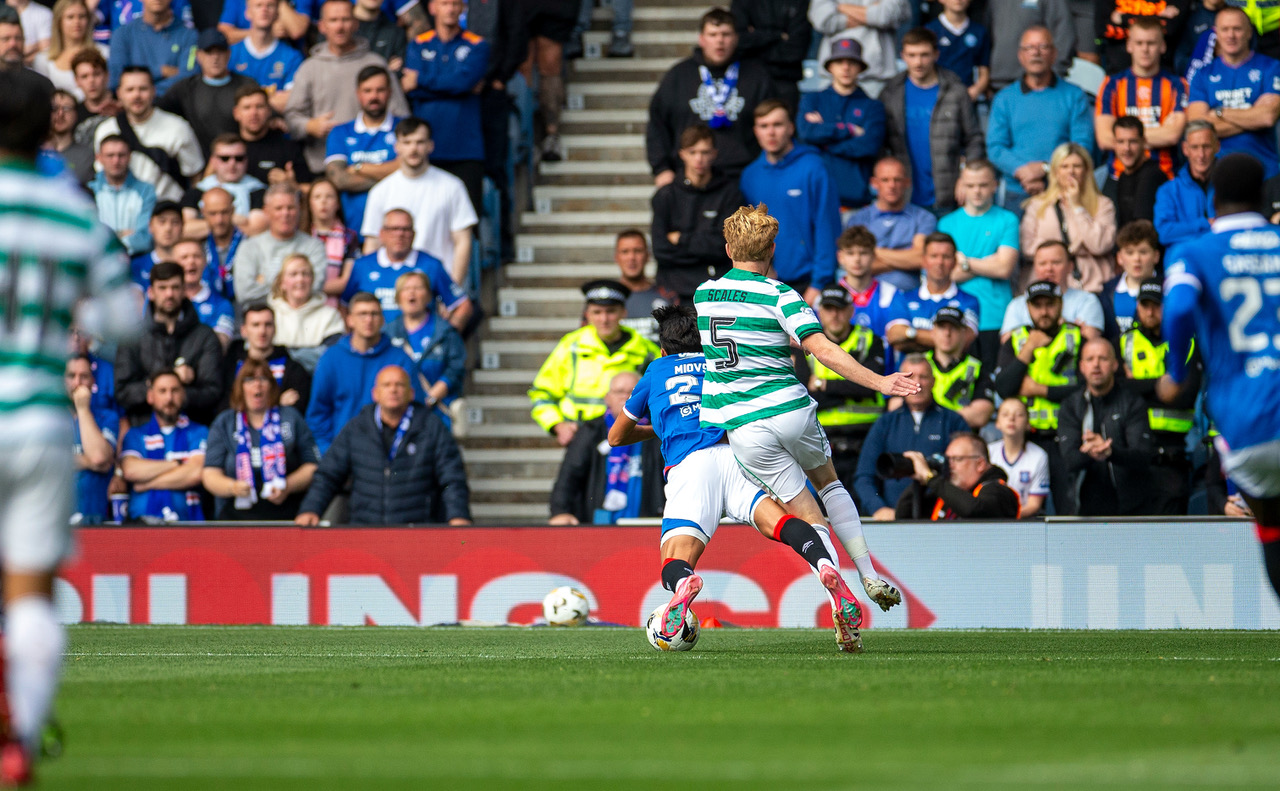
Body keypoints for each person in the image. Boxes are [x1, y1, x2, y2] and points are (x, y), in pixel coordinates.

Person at [0, 71, 140, 783]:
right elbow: (125, 319)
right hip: (39, 423)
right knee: (31, 592)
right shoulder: (67, 212)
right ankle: (18, 739)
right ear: (51, 128)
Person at [610, 305, 868, 653]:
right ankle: (822, 563)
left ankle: (685, 582)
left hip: (690, 467)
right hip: (736, 457)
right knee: (782, 522)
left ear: (662, 348)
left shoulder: (656, 371)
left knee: (674, 558)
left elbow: (616, 437)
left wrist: (663, 427)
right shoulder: (722, 365)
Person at [695, 204, 913, 611]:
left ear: (728, 249)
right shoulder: (782, 294)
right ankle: (868, 572)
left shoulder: (703, 295)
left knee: (804, 510)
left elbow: (743, 332)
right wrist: (881, 381)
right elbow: (822, 349)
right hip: (789, 408)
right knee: (830, 484)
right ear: (773, 249)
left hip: (743, 423)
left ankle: (832, 580)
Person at [1162, 152, 1280, 595]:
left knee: (1271, 525)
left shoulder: (1193, 251)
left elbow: (1177, 309)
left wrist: (1175, 371)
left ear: (1212, 200)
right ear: (1264, 198)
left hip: (1247, 424)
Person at [296, 365, 471, 525]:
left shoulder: (432, 427)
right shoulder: (356, 428)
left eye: (399, 385)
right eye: (386, 385)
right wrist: (310, 509)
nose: (393, 390)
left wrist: (458, 515)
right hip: (365, 532)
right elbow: (328, 475)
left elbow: (452, 477)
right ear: (375, 394)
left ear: (411, 393)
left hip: (417, 532)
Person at [645, 7, 777, 186]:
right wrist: (661, 169)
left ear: (736, 38)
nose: (720, 41)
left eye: (726, 34)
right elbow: (657, 125)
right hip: (690, 178)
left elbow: (774, 122)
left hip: (744, 176)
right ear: (702, 39)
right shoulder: (678, 75)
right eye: (713, 34)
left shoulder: (757, 75)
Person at [284, 0, 409, 176]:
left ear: (356, 24)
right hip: (323, 167)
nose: (340, 27)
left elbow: (401, 117)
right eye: (333, 20)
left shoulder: (375, 63)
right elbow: (291, 117)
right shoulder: (309, 68)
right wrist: (310, 126)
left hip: (378, 166)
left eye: (345, 19)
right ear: (321, 26)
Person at [529, 279, 658, 446]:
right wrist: (558, 426)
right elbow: (541, 393)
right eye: (597, 312)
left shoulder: (646, 351)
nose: (604, 319)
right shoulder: (571, 346)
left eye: (611, 311)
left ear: (623, 312)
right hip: (581, 439)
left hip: (629, 440)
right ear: (587, 315)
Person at [993, 280, 1085, 514]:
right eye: (1038, 305)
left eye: (1050, 304)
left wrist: (1038, 389)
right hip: (1026, 439)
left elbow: (1085, 389)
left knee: (1069, 509)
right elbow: (1004, 387)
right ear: (1028, 308)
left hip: (1065, 437)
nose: (1044, 311)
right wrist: (1029, 348)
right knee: (1025, 510)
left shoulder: (1076, 336)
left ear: (1061, 304)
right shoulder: (1017, 339)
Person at [739, 100, 842, 301]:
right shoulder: (749, 176)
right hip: (765, 283)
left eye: (777, 125)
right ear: (755, 131)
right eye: (764, 126)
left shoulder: (814, 168)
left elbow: (827, 226)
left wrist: (818, 283)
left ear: (790, 128)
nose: (771, 132)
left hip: (809, 283)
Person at [986, 26, 1093, 212]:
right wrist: (1022, 171)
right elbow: (995, 147)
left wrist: (1046, 169)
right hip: (1016, 190)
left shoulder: (1074, 96)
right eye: (1029, 48)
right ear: (1020, 56)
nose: (1036, 53)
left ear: (1054, 54)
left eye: (1043, 46)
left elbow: (1082, 145)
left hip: (1063, 189)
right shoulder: (1004, 98)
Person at [359, 117, 477, 285]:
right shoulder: (380, 191)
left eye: (419, 142)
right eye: (407, 142)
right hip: (392, 287)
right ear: (397, 147)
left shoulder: (453, 186)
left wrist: (452, 289)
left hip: (438, 285)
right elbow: (373, 243)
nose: (413, 149)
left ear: (430, 145)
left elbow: (463, 241)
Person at [879, 27, 984, 213]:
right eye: (912, 55)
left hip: (947, 195)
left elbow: (974, 139)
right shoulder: (890, 93)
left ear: (936, 54)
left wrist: (967, 178)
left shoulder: (956, 91)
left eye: (924, 55)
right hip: (904, 197)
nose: (918, 62)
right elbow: (880, 144)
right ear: (902, 56)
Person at [792, 286, 885, 493]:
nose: (835, 315)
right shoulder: (805, 344)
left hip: (865, 437)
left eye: (840, 309)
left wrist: (824, 385)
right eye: (829, 308)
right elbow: (805, 394)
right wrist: (853, 387)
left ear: (851, 311)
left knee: (864, 500)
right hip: (822, 439)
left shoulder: (871, 340)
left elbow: (870, 387)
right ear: (820, 312)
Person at [852, 353, 969, 519]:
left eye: (924, 377)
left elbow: (966, 474)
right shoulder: (885, 423)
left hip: (942, 521)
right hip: (893, 518)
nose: (918, 383)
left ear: (934, 381)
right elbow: (864, 476)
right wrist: (878, 509)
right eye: (911, 377)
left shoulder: (953, 421)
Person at [1119, 277, 1200, 514]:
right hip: (1133, 454)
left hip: (1171, 454)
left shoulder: (1189, 343)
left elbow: (1185, 397)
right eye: (1145, 305)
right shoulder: (1125, 342)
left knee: (1170, 538)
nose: (1150, 310)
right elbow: (1118, 391)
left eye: (1157, 304)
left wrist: (1138, 386)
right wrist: (1162, 384)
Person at [202, 358, 319, 520]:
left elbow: (312, 465)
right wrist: (233, 487)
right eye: (249, 379)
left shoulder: (291, 417)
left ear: (271, 386)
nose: (257, 385)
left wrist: (288, 486)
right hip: (235, 515)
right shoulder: (225, 422)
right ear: (240, 387)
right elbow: (210, 474)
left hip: (285, 512)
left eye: (263, 379)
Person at [307, 292, 424, 453]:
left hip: (389, 453)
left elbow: (417, 409)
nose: (368, 320)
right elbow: (318, 414)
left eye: (374, 314)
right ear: (350, 320)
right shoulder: (331, 358)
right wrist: (330, 455)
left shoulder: (400, 359)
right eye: (362, 314)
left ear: (382, 320)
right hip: (343, 454)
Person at [401, 0, 488, 216]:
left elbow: (463, 83)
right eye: (444, 3)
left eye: (455, 4)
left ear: (462, 9)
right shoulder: (418, 44)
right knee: (425, 216)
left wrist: (421, 79)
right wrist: (457, 86)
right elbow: (410, 89)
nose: (450, 9)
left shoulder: (477, 45)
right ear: (433, 8)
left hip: (465, 149)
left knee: (466, 219)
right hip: (427, 149)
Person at [115, 262, 225, 427]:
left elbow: (213, 392)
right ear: (151, 292)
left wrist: (173, 394)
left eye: (175, 287)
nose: (169, 294)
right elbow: (123, 392)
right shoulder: (133, 337)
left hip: (194, 431)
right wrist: (169, 383)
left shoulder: (205, 336)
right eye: (162, 287)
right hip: (143, 430)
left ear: (184, 291)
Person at [548, 371, 664, 525]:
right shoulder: (590, 431)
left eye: (632, 392)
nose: (625, 397)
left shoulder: (658, 430)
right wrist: (560, 511)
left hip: (648, 525)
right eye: (619, 392)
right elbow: (568, 477)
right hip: (599, 526)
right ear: (607, 398)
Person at [1057, 337, 1153, 516]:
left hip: (1129, 507)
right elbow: (1069, 460)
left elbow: (1143, 456)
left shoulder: (1133, 403)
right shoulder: (1071, 406)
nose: (1096, 365)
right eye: (1090, 359)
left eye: (1103, 358)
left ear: (1115, 365)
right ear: (1081, 366)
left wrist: (1111, 452)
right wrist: (1092, 452)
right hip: (1082, 508)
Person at [939, 159, 1019, 371]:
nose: (977, 191)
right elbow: (946, 274)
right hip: (957, 319)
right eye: (971, 185)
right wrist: (989, 262)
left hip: (996, 314)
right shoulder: (945, 224)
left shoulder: (1008, 219)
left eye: (983, 185)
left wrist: (964, 262)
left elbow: (1004, 268)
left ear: (995, 185)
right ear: (961, 185)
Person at [649, 124, 741, 305]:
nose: (699, 159)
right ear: (682, 154)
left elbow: (726, 248)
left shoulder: (731, 194)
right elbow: (660, 250)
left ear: (714, 154)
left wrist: (682, 239)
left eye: (705, 152)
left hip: (717, 294)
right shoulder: (665, 196)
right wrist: (705, 245)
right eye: (693, 152)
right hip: (674, 294)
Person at [1186, 6, 1280, 177]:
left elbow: (1267, 117)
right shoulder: (1202, 74)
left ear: (1249, 32)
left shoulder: (1272, 67)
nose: (1231, 35)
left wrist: (1219, 112)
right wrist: (1252, 116)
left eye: (1237, 29)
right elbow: (1198, 129)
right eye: (1225, 29)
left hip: (1265, 169)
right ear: (1216, 33)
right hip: (1216, 170)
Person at [341, 208, 472, 327]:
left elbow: (462, 305)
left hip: (418, 349)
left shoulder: (431, 265)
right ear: (382, 234)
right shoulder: (362, 266)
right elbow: (344, 306)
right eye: (394, 229)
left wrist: (444, 340)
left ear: (413, 234)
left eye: (405, 229)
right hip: (375, 347)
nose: (400, 234)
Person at [795, 37, 885, 210]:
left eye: (852, 62)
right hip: (813, 197)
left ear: (860, 68)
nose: (846, 67)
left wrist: (824, 142)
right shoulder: (812, 100)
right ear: (830, 67)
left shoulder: (873, 106)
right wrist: (848, 129)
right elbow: (806, 133)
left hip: (855, 201)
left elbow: (868, 146)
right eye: (839, 62)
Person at [1094, 18, 1188, 183]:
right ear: (1129, 46)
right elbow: (1104, 138)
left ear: (1162, 46)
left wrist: (1123, 139)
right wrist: (1160, 132)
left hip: (1166, 176)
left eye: (1151, 43)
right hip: (1119, 175)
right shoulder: (1111, 85)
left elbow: (1173, 135)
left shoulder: (1178, 85)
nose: (1145, 49)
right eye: (1139, 43)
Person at [93, 66, 205, 203]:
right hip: (120, 215)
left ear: (153, 91)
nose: (136, 95)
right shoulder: (106, 130)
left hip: (166, 214)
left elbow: (195, 176)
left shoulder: (178, 127)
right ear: (119, 93)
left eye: (143, 89)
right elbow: (101, 177)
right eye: (130, 90)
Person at [1019, 142, 1118, 294]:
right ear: (1055, 172)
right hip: (1047, 292)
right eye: (1064, 166)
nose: (1071, 171)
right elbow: (1027, 246)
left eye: (1076, 166)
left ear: (1086, 170)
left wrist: (1078, 206)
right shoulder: (1038, 205)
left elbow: (1099, 245)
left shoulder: (1103, 204)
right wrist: (1070, 249)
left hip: (1092, 288)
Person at [324, 65, 402, 238]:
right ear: (358, 94)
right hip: (352, 231)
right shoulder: (340, 132)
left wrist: (360, 168)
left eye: (380, 90)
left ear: (389, 92)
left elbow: (408, 169)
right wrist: (391, 173)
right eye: (368, 90)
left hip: (398, 232)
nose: (374, 96)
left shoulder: (404, 128)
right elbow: (339, 179)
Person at [119, 370, 208, 522]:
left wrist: (146, 484)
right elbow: (131, 471)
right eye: (162, 391)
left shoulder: (198, 432)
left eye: (175, 390)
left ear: (183, 394)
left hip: (188, 525)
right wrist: (176, 464)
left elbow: (196, 473)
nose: (169, 398)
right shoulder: (136, 434)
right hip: (141, 525)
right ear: (150, 396)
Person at [157, 29, 257, 158]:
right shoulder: (186, 87)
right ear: (199, 56)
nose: (215, 58)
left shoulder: (246, 85)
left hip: (238, 160)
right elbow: (158, 110)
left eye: (220, 52)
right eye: (209, 52)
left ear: (228, 54)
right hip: (199, 162)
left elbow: (264, 114)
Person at [845, 156, 938, 292]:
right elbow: (856, 266)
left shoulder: (924, 218)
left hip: (909, 297)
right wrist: (905, 259)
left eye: (897, 179)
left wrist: (875, 251)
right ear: (874, 183)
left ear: (907, 182)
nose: (892, 185)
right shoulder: (858, 219)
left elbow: (920, 258)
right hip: (867, 298)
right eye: (885, 180)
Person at [385, 271, 466, 421]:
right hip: (397, 415)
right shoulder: (387, 333)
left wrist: (433, 396)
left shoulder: (445, 332)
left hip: (437, 413)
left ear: (429, 296)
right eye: (406, 288)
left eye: (418, 288)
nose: (412, 293)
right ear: (397, 297)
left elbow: (456, 367)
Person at [885, 232, 981, 354]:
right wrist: (944, 339)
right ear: (924, 261)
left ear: (955, 261)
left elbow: (963, 341)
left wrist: (910, 333)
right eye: (934, 256)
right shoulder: (903, 298)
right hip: (910, 372)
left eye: (946, 256)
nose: (939, 262)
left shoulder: (969, 301)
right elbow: (894, 335)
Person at [234, 183, 329, 304]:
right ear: (266, 211)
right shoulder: (249, 247)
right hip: (263, 319)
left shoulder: (314, 246)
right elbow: (244, 293)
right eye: (278, 208)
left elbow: (314, 288)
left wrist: (264, 282)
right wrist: (295, 288)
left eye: (290, 208)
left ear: (299, 209)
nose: (285, 214)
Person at [895, 432, 1020, 519]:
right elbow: (903, 515)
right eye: (948, 460)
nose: (950, 466)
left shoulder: (999, 491)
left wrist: (931, 478)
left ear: (980, 464)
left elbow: (974, 510)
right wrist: (921, 479)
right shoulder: (948, 493)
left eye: (956, 459)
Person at [1000, 240, 1105, 342]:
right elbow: (1008, 344)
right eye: (1042, 263)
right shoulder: (1017, 304)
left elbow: (1090, 342)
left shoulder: (1087, 301)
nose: (1049, 268)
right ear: (1034, 268)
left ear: (1070, 266)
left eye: (1056, 262)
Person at [807, 0, 911, 99]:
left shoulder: (839, 5)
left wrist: (840, 6)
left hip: (877, 79)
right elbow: (821, 19)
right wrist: (870, 14)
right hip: (833, 79)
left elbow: (885, 16)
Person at [222, 302, 312, 412]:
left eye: (268, 324)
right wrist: (278, 404)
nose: (262, 331)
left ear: (275, 329)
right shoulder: (230, 365)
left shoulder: (294, 370)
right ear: (243, 331)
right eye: (256, 325)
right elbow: (224, 408)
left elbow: (296, 412)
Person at [520, 0, 578, 162]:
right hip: (520, 7)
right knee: (523, 65)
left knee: (550, 66)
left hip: (553, 8)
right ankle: (526, 135)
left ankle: (551, 133)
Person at [180, 133, 268, 239]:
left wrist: (207, 224)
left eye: (238, 158)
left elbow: (256, 229)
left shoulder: (259, 190)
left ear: (246, 160)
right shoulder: (198, 191)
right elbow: (184, 229)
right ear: (213, 161)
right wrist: (233, 220)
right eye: (225, 158)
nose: (232, 164)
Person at [268, 254, 347, 371]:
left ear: (312, 280)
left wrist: (286, 356)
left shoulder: (330, 315)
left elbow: (331, 357)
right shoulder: (269, 314)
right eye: (293, 274)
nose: (300, 279)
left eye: (305, 274)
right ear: (282, 283)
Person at [728, 0, 810, 110]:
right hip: (750, 80)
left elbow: (796, 49)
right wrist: (778, 35)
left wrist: (756, 37)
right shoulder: (743, 2)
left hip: (786, 80)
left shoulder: (799, 3)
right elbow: (739, 41)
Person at [67, 354, 119, 525]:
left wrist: (82, 410)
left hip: (94, 519)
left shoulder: (108, 417)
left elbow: (99, 457)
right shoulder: (48, 419)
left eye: (84, 376)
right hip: (54, 518)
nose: (77, 383)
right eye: (71, 376)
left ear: (93, 381)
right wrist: (90, 462)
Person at [924, 306, 995, 429]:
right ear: (933, 332)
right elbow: (896, 404)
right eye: (942, 327)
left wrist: (931, 420)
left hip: (960, 438)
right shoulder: (919, 363)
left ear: (964, 333)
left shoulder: (976, 368)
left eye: (954, 328)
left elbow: (981, 415)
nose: (947, 333)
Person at [106, 0, 198, 95]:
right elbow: (116, 79)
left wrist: (143, 92)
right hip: (130, 107)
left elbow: (189, 78)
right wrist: (161, 71)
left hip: (174, 105)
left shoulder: (189, 36)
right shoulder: (122, 34)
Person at [228, 0, 302, 114]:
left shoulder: (292, 56)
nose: (264, 10)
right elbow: (226, 100)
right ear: (247, 12)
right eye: (258, 5)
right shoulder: (231, 54)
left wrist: (248, 106)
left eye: (270, 5)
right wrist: (272, 100)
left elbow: (293, 102)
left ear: (277, 12)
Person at [984, 0, 1074, 91]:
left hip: (1038, 84)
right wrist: (984, 79)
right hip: (997, 83)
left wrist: (1054, 77)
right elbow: (985, 37)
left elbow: (1063, 36)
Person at [834, 224, 903, 343]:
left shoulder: (892, 294)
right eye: (850, 253)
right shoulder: (827, 298)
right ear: (840, 257)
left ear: (873, 256)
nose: (857, 259)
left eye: (863, 253)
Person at [1153, 119, 1218, 246]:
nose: (1201, 155)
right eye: (1195, 147)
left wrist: (1185, 231)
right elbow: (1164, 232)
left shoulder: (1231, 185)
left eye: (1206, 146)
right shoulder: (1169, 190)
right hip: (1183, 262)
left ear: (1217, 146)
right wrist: (1207, 224)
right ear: (1185, 149)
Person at [90, 134, 157, 255]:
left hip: (136, 263)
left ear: (129, 156)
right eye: (110, 155)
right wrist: (123, 234)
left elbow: (144, 240)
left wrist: (108, 238)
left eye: (121, 155)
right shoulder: (89, 191)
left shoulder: (146, 191)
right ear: (99, 158)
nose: (116, 161)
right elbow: (88, 237)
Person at [1099, 117, 1170, 229]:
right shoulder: (1123, 176)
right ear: (1114, 144)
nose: (1127, 148)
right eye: (1121, 142)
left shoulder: (1151, 175)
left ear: (1144, 142)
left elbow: (1142, 229)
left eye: (1133, 142)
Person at [236, 85, 311, 185]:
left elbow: (309, 188)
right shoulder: (226, 149)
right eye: (247, 107)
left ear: (269, 111)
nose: (253, 113)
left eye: (259, 106)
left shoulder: (288, 148)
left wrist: (290, 184)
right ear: (236, 113)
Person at [31, 0, 107, 98]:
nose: (77, 22)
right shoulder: (43, 59)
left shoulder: (104, 53)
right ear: (59, 21)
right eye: (70, 17)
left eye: (82, 16)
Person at [987, 397, 1048, 518]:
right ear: (997, 423)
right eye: (1005, 414)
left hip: (1025, 522)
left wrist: (1010, 519)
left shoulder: (1039, 455)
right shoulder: (988, 452)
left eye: (1019, 414)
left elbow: (1034, 504)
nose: (1011, 419)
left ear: (1028, 423)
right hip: (992, 521)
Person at [1100, 220, 1162, 339]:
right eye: (1129, 252)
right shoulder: (1107, 292)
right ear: (1119, 258)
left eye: (1143, 252)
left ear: (1156, 256)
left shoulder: (1168, 289)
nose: (1136, 259)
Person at [305, 177, 359, 306]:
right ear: (309, 203)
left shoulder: (349, 237)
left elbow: (346, 280)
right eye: (317, 197)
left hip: (338, 307)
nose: (323, 201)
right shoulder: (301, 235)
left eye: (329, 197)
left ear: (338, 203)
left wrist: (306, 289)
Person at [175, 239, 235, 349]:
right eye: (184, 257)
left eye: (196, 256)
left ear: (205, 261)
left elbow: (219, 345)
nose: (191, 261)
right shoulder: (163, 302)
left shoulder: (221, 304)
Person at [612, 230, 669, 342]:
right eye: (625, 252)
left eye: (637, 251)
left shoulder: (667, 296)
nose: (631, 257)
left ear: (647, 256)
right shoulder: (604, 300)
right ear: (616, 257)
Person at [926, 0, 990, 99]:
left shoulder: (979, 32)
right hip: (937, 96)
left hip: (967, 95)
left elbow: (984, 71)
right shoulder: (930, 31)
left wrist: (975, 90)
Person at [199, 187, 243, 302]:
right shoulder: (198, 247)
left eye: (224, 212)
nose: (219, 220)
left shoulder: (248, 244)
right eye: (213, 213)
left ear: (233, 210)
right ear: (203, 212)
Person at [129, 199, 183, 288]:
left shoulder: (190, 265)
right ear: (150, 226)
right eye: (162, 221)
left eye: (175, 222)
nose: (168, 228)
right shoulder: (135, 267)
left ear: (182, 227)